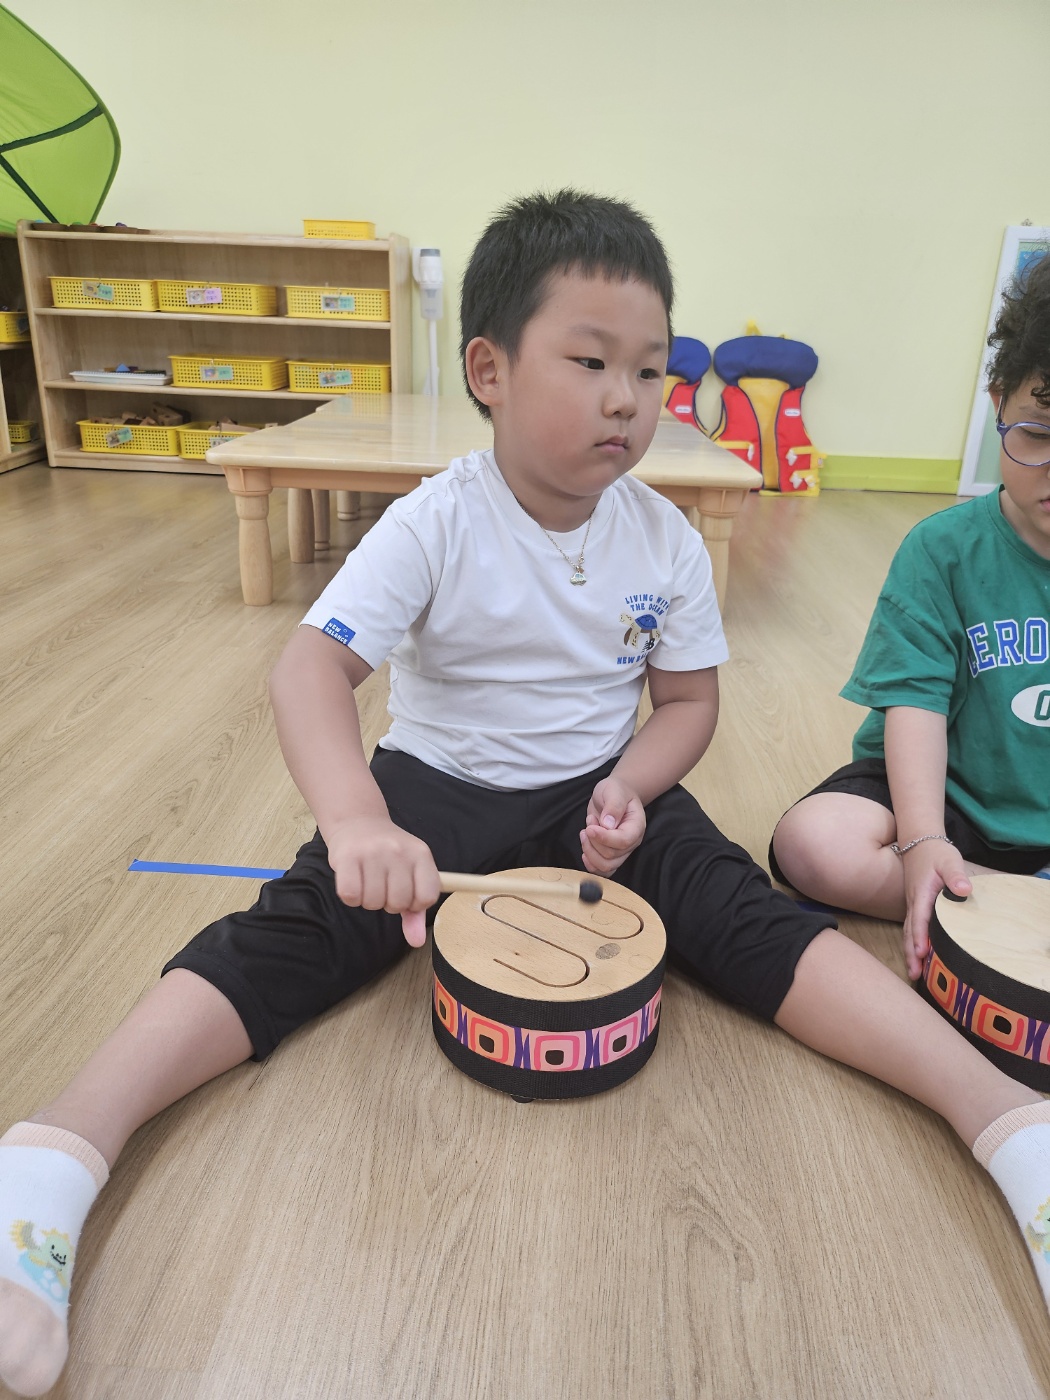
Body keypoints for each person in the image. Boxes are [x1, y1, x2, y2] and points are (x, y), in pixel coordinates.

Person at [1, 193, 1048, 1399]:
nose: (627, 398)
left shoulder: (664, 537)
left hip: (598, 794)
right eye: (591, 362)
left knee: (747, 916)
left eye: (650, 369)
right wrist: (357, 821)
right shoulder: (434, 520)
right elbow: (309, 670)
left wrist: (632, 786)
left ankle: (1010, 1124)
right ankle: (52, 1159)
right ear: (489, 371)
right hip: (432, 789)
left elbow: (687, 703)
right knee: (293, 933)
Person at [770, 252, 1050, 980]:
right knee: (813, 843)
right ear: (999, 404)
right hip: (943, 798)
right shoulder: (943, 550)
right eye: (1040, 434)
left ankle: (993, 901)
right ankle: (989, 892)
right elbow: (915, 707)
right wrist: (924, 840)